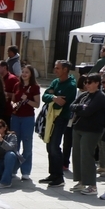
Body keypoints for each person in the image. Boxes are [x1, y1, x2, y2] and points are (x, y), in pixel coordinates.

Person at [39, 60, 78, 188]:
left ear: (65, 70)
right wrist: (54, 97)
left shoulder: (71, 85)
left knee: (55, 146)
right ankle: (53, 174)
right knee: (49, 145)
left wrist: (53, 98)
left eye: (58, 68)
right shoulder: (55, 82)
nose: (55, 70)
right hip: (50, 118)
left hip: (61, 118)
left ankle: (59, 176)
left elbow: (61, 103)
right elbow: (45, 96)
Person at [68, 73, 105, 195]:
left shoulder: (100, 96)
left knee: (87, 156)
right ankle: (81, 182)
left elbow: (88, 111)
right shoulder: (85, 95)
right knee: (77, 155)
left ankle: (92, 185)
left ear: (97, 83)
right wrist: (81, 107)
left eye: (90, 82)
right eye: (86, 82)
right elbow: (71, 106)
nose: (87, 85)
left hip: (91, 130)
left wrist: (80, 109)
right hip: (78, 128)